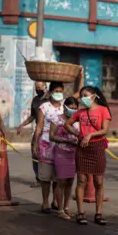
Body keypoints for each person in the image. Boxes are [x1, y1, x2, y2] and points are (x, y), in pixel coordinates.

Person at [65, 86, 112, 225]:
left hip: (97, 147)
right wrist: (78, 135)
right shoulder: (80, 112)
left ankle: (98, 213)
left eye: (85, 95)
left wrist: (90, 134)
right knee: (81, 180)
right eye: (81, 95)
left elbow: (105, 130)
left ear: (94, 96)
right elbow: (67, 124)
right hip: (82, 148)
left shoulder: (103, 110)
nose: (83, 98)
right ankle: (80, 213)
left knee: (99, 181)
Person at [33, 82, 66, 213]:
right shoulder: (44, 107)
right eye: (56, 90)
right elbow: (39, 126)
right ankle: (45, 202)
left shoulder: (65, 106)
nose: (58, 93)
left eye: (60, 90)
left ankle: (56, 200)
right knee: (46, 176)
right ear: (51, 92)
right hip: (46, 144)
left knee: (58, 176)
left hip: (62, 144)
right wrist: (35, 143)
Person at [49, 97, 80, 220]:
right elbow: (51, 136)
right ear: (65, 106)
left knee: (70, 182)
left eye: (75, 108)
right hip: (61, 153)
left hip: (73, 154)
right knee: (61, 181)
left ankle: (67, 208)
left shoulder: (77, 121)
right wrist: (65, 140)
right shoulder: (56, 119)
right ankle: (60, 209)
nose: (73, 110)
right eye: (70, 108)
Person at [17, 81, 49, 188]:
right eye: (36, 87)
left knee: (47, 156)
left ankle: (48, 178)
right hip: (38, 131)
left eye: (40, 87)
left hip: (49, 131)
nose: (38, 89)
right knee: (35, 154)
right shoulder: (35, 100)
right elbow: (32, 116)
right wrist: (22, 124)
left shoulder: (50, 99)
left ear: (45, 87)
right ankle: (38, 179)